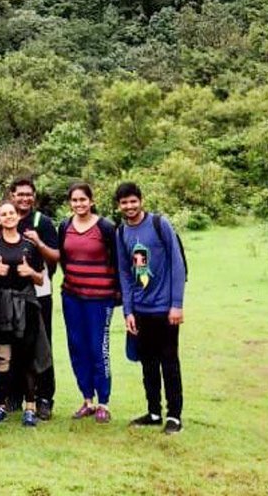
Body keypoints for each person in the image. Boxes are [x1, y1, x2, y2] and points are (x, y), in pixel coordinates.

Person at [114, 181, 187, 435]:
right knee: (147, 363)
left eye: (133, 201)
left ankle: (174, 416)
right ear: (119, 205)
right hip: (140, 310)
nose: (130, 206)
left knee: (169, 362)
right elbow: (124, 272)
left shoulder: (159, 224)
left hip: (165, 309)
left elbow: (177, 264)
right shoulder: (121, 233)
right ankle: (154, 412)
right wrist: (128, 311)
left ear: (141, 201)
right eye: (124, 202)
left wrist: (176, 304)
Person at [0, 200, 51, 427]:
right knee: (2, 358)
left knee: (26, 358)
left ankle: (30, 408)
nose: (9, 217)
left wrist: (30, 271)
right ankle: (1, 405)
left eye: (12, 213)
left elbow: (41, 278)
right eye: (4, 214)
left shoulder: (30, 246)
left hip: (26, 305)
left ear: (18, 217)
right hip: (0, 307)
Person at [58, 182, 121, 423]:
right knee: (77, 347)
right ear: (70, 203)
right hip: (72, 296)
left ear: (91, 201)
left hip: (100, 298)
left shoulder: (106, 228)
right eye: (74, 200)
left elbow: (117, 262)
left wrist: (116, 293)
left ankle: (103, 401)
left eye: (83, 200)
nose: (79, 204)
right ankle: (87, 399)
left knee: (98, 348)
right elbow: (64, 260)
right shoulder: (65, 226)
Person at [10, 177, 60, 419]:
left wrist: (38, 242)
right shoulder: (5, 219)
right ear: (11, 195)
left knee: (42, 344)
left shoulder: (43, 222)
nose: (24, 198)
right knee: (15, 343)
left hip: (39, 293)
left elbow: (55, 258)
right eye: (20, 194)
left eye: (28, 194)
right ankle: (17, 395)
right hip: (11, 293)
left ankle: (44, 397)